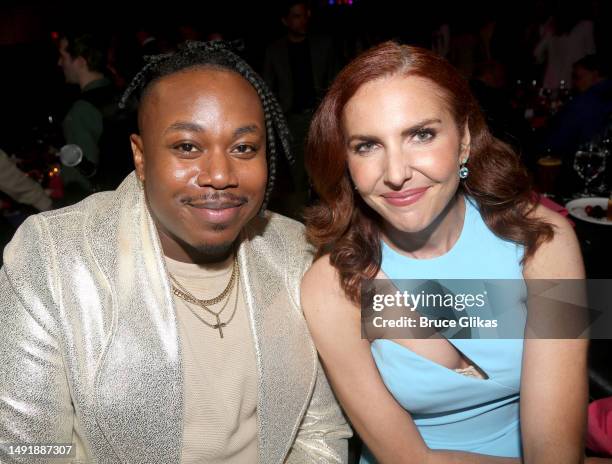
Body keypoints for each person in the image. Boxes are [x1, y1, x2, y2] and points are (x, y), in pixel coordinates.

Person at [0, 41, 349, 463]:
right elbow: (28, 450)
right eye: (187, 147)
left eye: (243, 148)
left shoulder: (296, 253)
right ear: (141, 157)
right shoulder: (54, 257)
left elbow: (320, 432)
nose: (221, 175)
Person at [301, 42, 588, 462]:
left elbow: (558, 456)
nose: (397, 173)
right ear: (345, 162)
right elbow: (409, 460)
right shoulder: (331, 286)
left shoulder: (545, 242)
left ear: (465, 139)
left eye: (421, 135)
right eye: (367, 146)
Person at [57, 31, 134, 199]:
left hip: (107, 208)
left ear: (80, 61)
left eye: (63, 56)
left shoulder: (81, 111)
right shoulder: (128, 95)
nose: (59, 62)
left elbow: (78, 182)